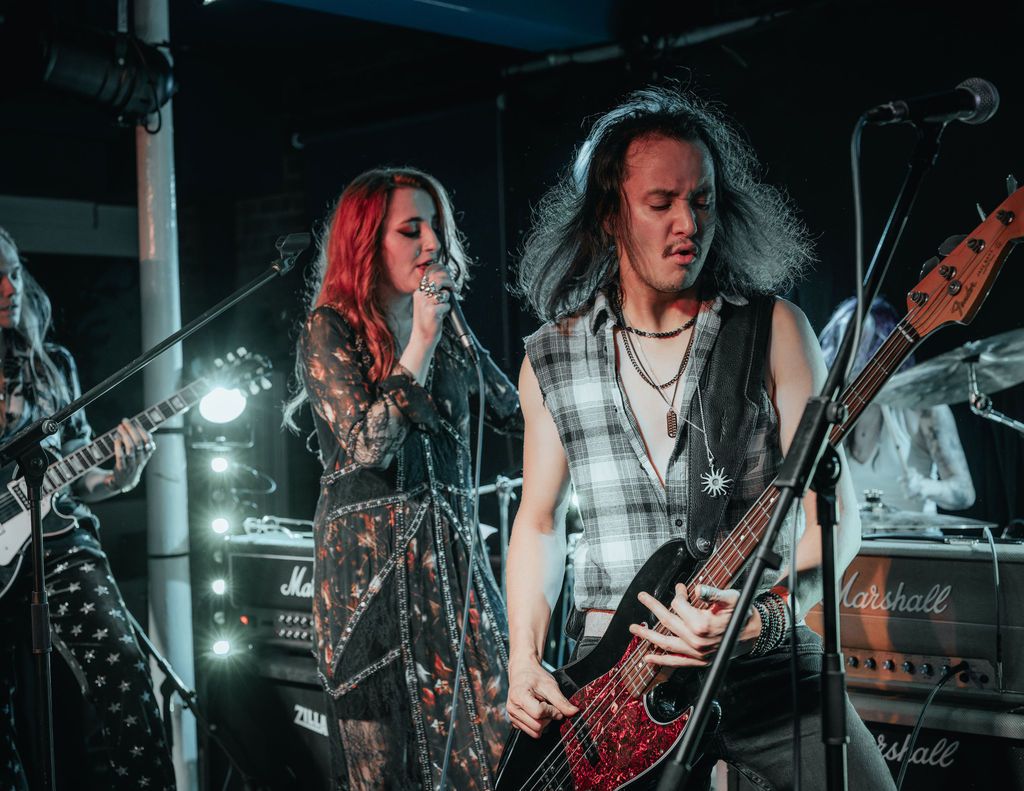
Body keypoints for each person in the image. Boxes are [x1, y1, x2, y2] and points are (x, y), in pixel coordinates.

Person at [505, 87, 895, 789]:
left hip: (761, 652)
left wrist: (764, 617)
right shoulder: (552, 357)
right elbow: (538, 522)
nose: (688, 223)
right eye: (662, 203)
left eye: (703, 201)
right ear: (609, 213)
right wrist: (524, 658)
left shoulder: (774, 330)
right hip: (616, 678)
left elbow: (834, 517)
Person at [283, 167, 521, 790]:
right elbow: (369, 445)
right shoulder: (329, 328)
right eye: (411, 230)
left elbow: (511, 413)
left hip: (450, 575)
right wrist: (421, 341)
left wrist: (453, 330)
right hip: (370, 583)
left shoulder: (443, 329)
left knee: (495, 756)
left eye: (435, 227)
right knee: (381, 773)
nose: (432, 243)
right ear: (367, 242)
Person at [0, 227, 175, 789]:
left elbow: (80, 474)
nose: (10, 288)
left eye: (15, 272)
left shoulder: (53, 364)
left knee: (126, 678)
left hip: (59, 544)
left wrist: (122, 477)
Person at [819, 296, 975, 515]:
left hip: (912, 536)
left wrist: (924, 487)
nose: (855, 360)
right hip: (855, 537)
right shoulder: (832, 413)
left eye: (864, 348)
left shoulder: (924, 410)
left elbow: (964, 492)